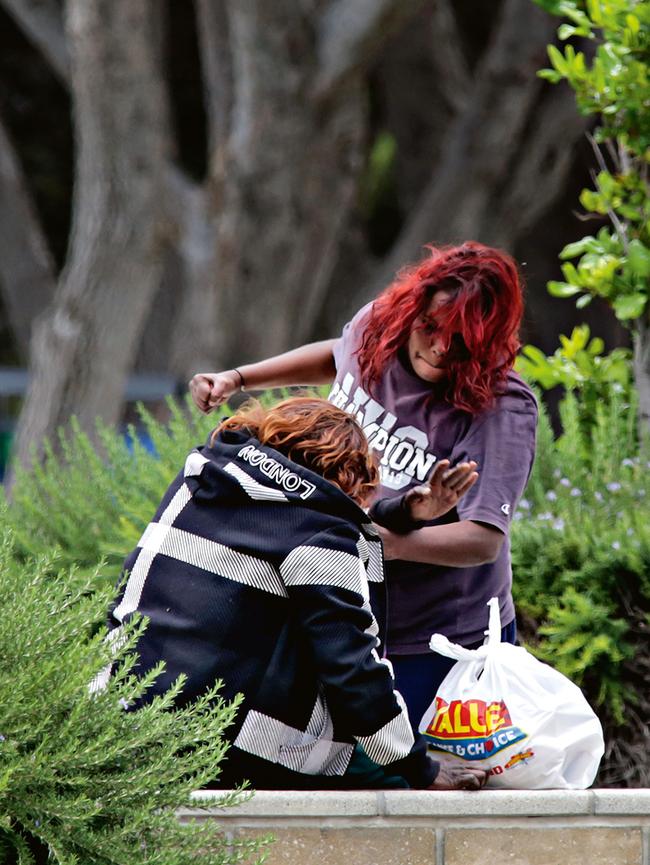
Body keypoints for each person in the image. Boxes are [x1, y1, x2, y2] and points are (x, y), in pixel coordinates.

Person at [189, 242, 538, 732]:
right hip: (342, 608)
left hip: (438, 641)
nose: (440, 348)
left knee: (418, 786)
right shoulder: (381, 325)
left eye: (461, 341)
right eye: (432, 328)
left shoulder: (501, 407)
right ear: (413, 309)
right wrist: (241, 377)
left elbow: (482, 540)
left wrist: (373, 546)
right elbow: (337, 356)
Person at [105, 396, 484, 790]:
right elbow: (351, 669)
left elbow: (286, 511)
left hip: (116, 708)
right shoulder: (320, 535)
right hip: (214, 747)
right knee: (387, 780)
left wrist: (400, 512)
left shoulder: (202, 479)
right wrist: (421, 768)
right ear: (348, 480)